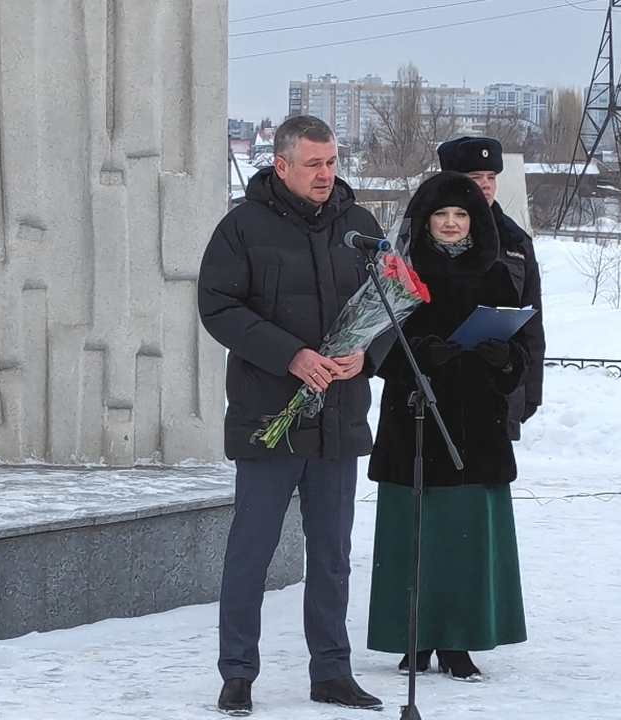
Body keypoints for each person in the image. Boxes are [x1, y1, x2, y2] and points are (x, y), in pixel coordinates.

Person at [197, 115, 386, 716]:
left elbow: (390, 303)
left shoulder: (361, 226)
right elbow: (217, 306)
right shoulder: (242, 228)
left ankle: (332, 671)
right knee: (250, 552)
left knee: (331, 555)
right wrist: (291, 356)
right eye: (314, 164)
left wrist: (367, 354)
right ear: (281, 165)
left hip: (338, 417)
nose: (327, 174)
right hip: (267, 417)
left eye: (332, 162)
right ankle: (238, 675)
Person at [366, 171, 530, 680]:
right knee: (414, 537)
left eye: (461, 215)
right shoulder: (400, 275)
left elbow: (519, 353)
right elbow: (374, 345)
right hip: (415, 422)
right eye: (442, 216)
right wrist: (414, 356)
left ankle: (460, 640)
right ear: (427, 222)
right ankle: (411, 640)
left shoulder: (497, 274)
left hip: (477, 427)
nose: (453, 224)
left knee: (465, 538)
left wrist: (504, 357)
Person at [436, 136, 545, 441]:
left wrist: (530, 388)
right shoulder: (424, 235)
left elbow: (531, 323)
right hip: (440, 392)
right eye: (475, 177)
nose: (485, 185)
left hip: (500, 385)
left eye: (491, 177)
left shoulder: (516, 241)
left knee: (489, 484)